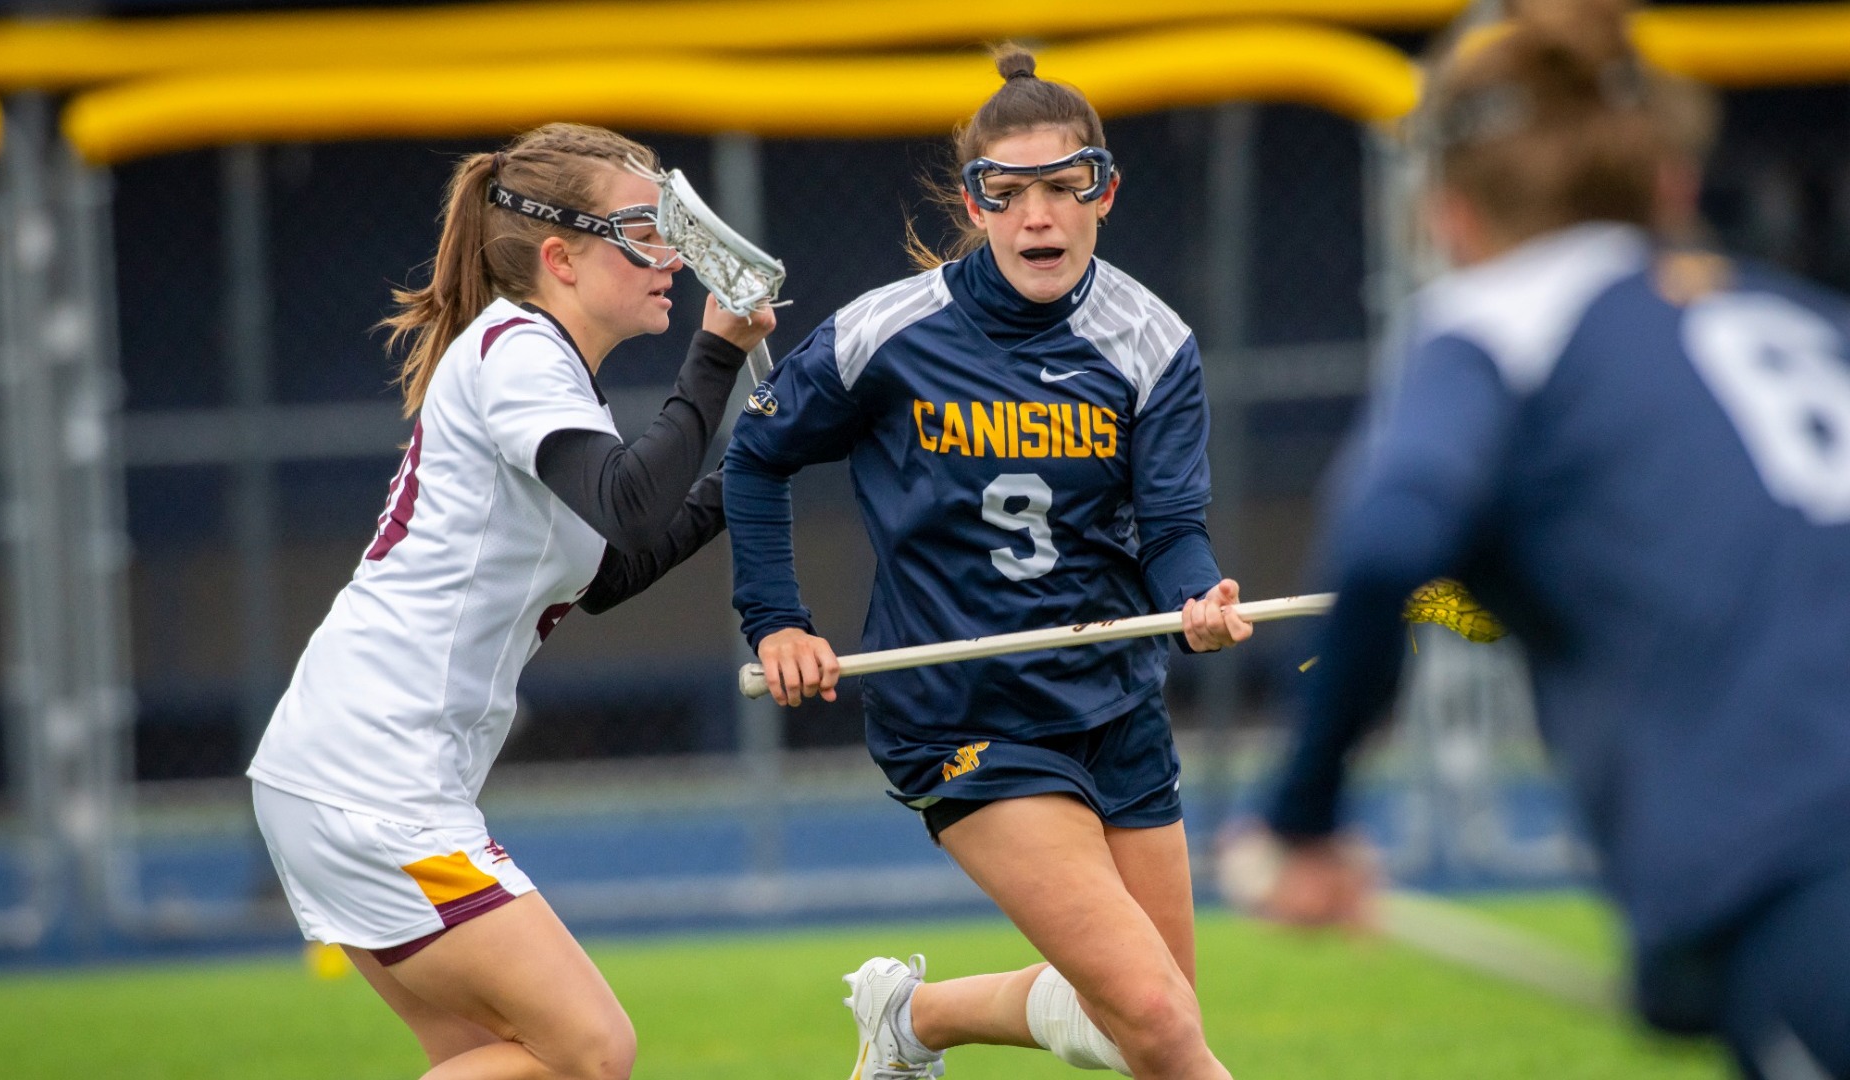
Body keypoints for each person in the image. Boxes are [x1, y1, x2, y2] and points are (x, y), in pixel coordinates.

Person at [1231, 3, 1850, 1078]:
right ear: (1671, 185)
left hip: (1799, 864)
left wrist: (1305, 818)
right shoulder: (1803, 315)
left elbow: (1384, 546)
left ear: (1448, 214)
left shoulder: (1501, 324)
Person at [723, 46, 1251, 1080]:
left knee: (1134, 1022)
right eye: (1006, 194)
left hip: (1113, 701)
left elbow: (1173, 529)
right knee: (1156, 1015)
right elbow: (755, 456)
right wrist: (775, 619)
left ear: (1103, 190)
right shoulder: (889, 331)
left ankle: (912, 1018)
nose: (1037, 217)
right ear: (974, 202)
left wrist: (1198, 595)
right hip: (961, 713)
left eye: (1064, 186)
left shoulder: (1153, 343)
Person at [246, 122, 774, 1080]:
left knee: (512, 1061)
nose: (672, 259)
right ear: (560, 259)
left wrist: (762, 456)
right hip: (375, 784)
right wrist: (718, 356)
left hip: (359, 777)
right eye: (644, 231)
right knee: (592, 1049)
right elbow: (631, 498)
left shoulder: (542, 369)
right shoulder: (518, 350)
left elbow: (613, 566)